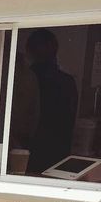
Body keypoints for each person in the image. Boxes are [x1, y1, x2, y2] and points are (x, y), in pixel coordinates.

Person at [25, 28, 78, 173]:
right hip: (58, 156)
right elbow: (71, 122)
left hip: (29, 153)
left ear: (29, 52)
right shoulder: (67, 82)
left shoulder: (25, 79)